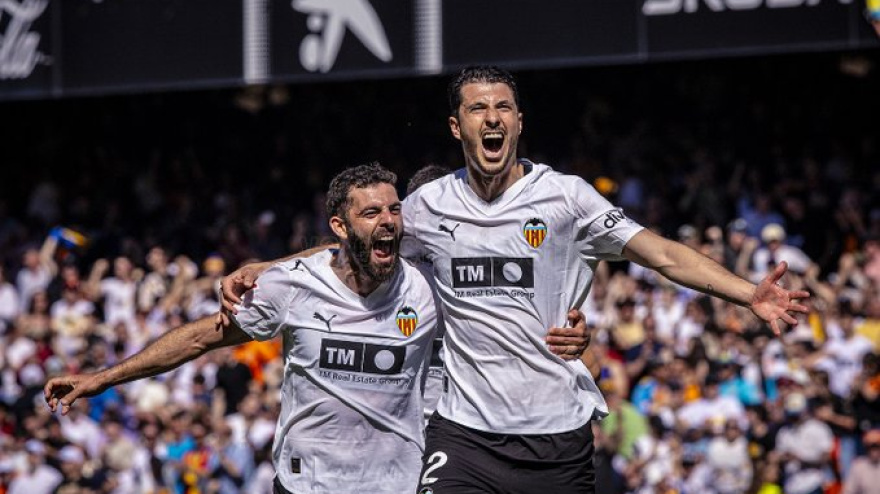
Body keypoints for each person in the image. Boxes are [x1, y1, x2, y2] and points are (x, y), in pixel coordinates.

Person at [220, 66, 809, 494]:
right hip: (464, 434)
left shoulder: (566, 198)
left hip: (556, 434)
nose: (492, 117)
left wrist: (746, 292)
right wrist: (269, 268)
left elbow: (662, 255)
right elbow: (364, 241)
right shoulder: (427, 204)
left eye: (502, 107)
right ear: (457, 127)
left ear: (519, 121)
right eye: (478, 109)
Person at [45, 164, 442, 494]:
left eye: (394, 210)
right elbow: (200, 338)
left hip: (398, 485)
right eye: (372, 213)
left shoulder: (427, 285)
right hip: (309, 484)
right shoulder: (293, 286)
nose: (388, 221)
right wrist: (104, 377)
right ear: (339, 225)